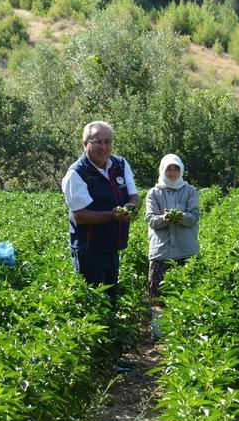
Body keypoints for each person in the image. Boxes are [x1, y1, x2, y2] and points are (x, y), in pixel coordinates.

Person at [61, 121, 139, 304]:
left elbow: (134, 196)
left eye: (107, 142)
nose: (104, 147)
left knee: (110, 299)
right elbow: (79, 216)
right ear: (85, 144)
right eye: (97, 142)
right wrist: (113, 215)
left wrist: (131, 208)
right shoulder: (76, 174)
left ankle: (112, 331)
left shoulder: (120, 164)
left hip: (112, 246)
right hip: (90, 249)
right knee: (94, 302)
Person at [145, 154, 200, 299]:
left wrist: (181, 217)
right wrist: (165, 218)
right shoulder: (154, 193)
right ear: (163, 170)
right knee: (158, 296)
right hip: (161, 252)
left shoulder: (189, 191)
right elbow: (151, 219)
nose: (172, 173)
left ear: (181, 171)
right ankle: (157, 322)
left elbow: (194, 217)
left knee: (186, 297)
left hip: (185, 250)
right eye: (169, 169)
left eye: (176, 169)